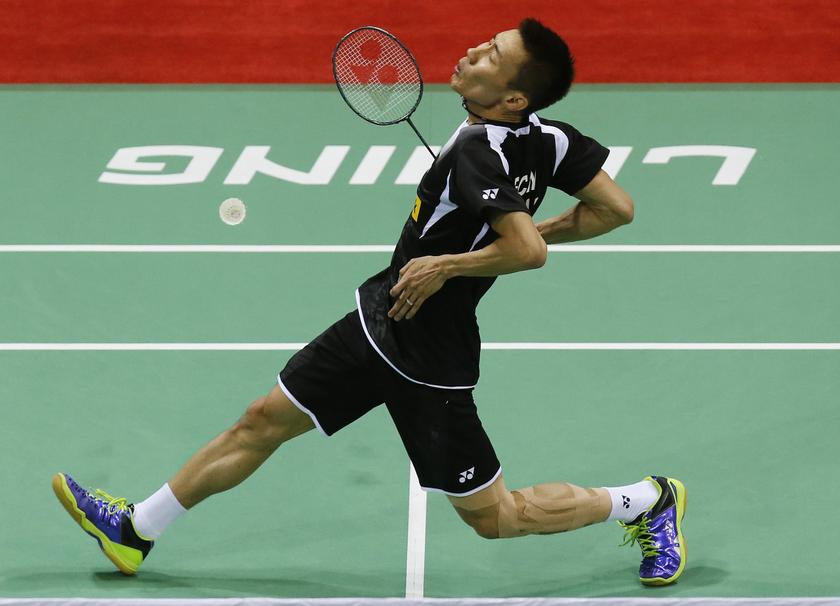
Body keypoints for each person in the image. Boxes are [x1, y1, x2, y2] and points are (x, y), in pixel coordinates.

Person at [52, 18, 687, 587]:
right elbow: (616, 209)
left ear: (514, 97)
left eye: (490, 55)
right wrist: (505, 238)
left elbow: (527, 252)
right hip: (382, 318)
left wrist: (449, 264)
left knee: (496, 518)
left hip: (429, 355)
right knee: (261, 420)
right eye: (485, 43)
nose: (471, 52)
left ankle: (648, 501)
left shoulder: (476, 150)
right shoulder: (547, 139)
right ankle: (136, 529)